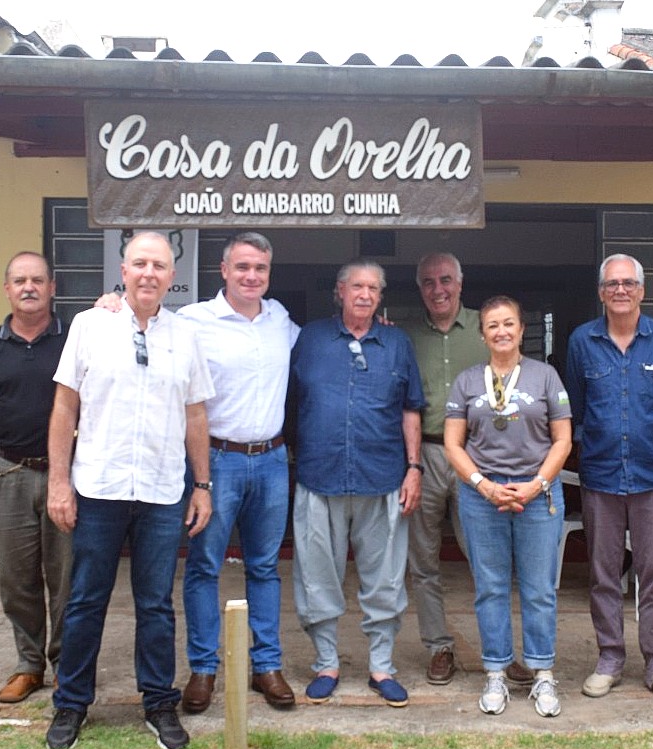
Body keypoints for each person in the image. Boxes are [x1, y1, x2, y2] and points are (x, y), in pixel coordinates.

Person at [44, 231, 214, 749]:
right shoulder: (90, 325)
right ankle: (71, 705)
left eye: (158, 266)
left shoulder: (184, 336)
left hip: (163, 489)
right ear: (123, 270)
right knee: (85, 600)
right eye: (139, 263)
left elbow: (195, 414)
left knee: (156, 604)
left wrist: (202, 484)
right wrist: (58, 482)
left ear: (171, 276)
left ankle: (158, 703)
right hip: (98, 485)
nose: (148, 274)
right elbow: (65, 407)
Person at [289, 260, 425, 707]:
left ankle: (381, 667)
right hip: (319, 475)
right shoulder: (308, 339)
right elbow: (285, 397)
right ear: (339, 291)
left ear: (380, 297)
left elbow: (410, 408)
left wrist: (413, 467)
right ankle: (325, 663)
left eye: (373, 288)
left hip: (382, 476)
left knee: (385, 579)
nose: (364, 294)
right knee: (316, 575)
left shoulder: (397, 343)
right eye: (356, 287)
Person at [177, 232, 300, 713]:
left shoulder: (281, 319)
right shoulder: (192, 321)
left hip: (271, 460)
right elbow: (141, 327)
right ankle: (203, 669)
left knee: (265, 567)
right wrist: (113, 303)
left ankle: (265, 665)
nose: (252, 276)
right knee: (204, 566)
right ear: (223, 270)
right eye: (243, 267)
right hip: (218, 460)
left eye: (261, 269)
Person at [564, 254, 653, 705]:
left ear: (641, 291)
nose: (620, 290)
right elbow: (574, 408)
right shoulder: (582, 341)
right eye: (612, 283)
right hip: (600, 477)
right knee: (603, 573)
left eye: (628, 283)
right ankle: (610, 658)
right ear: (601, 292)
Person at [444, 295, 571, 717]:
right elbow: (452, 443)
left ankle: (542, 673)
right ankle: (496, 672)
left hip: (538, 496)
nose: (501, 331)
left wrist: (537, 485)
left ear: (521, 330)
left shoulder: (546, 376)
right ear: (483, 334)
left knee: (538, 590)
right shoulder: (466, 381)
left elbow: (563, 440)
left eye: (509, 324)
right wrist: (482, 485)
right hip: (484, 498)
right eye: (493, 325)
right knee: (491, 588)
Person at [0, 251, 72, 704]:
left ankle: (67, 666)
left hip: (67, 475)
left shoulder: (74, 341)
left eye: (37, 280)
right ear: (7, 289)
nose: (29, 287)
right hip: (10, 472)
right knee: (16, 577)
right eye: (19, 281)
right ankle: (29, 665)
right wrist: (9, 440)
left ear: (52, 287)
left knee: (67, 576)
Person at [403, 252, 484, 685]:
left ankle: (498, 647)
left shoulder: (486, 327)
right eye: (429, 281)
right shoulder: (405, 336)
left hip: (478, 457)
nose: (439, 288)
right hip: (427, 456)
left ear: (460, 282)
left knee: (484, 557)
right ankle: (439, 646)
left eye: (446, 280)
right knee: (423, 560)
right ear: (420, 288)